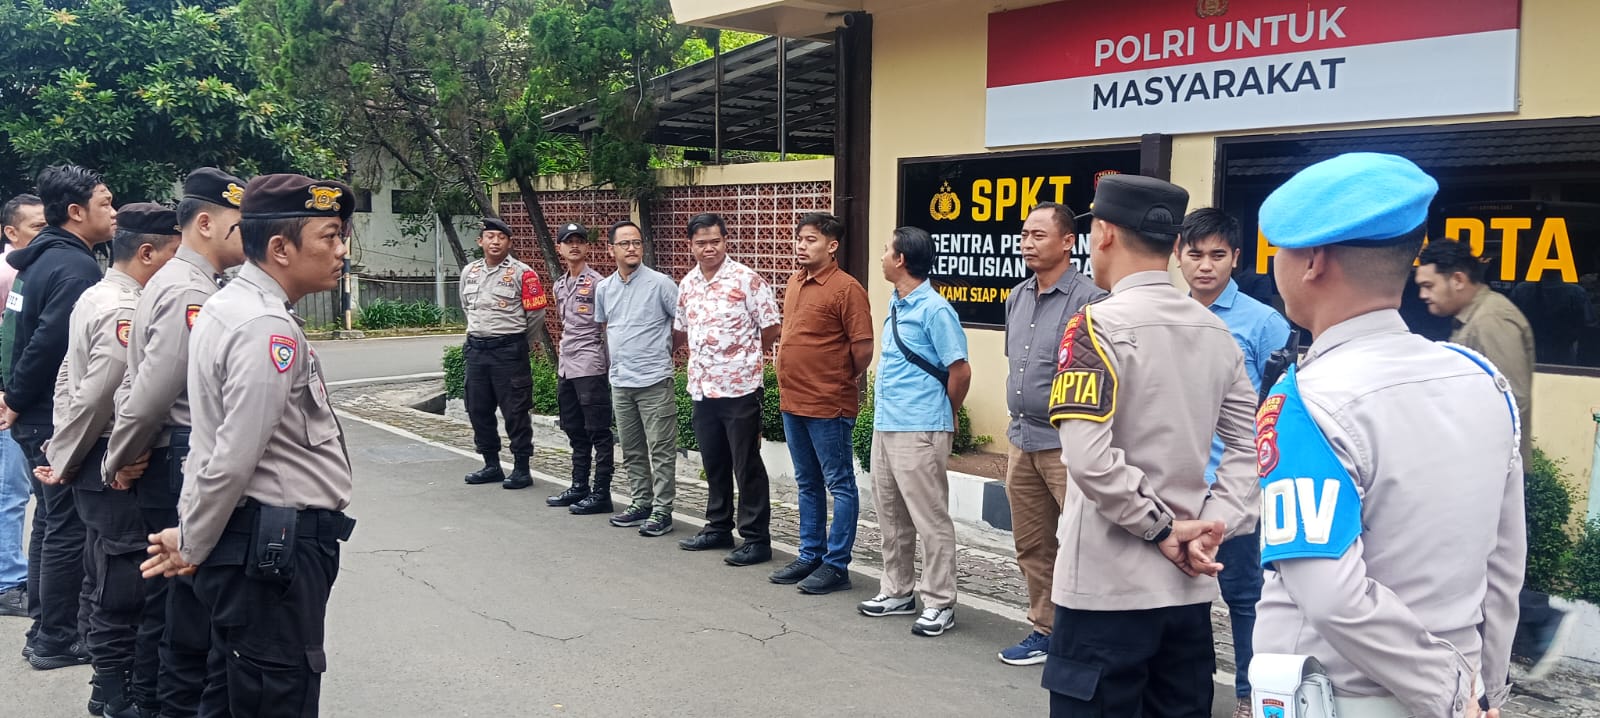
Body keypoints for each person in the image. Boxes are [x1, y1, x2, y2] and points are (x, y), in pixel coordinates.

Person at [1252, 153, 1524, 718]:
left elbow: (1330, 595)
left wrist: (1449, 695)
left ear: (1313, 262)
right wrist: (1482, 692)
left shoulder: (1307, 401)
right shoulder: (1481, 380)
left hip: (1341, 699)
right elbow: (1503, 568)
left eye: (1280, 250)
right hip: (1458, 691)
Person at [141, 173, 359, 717]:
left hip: (251, 542)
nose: (341, 250)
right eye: (330, 236)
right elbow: (232, 457)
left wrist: (192, 532)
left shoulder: (230, 305)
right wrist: (193, 543)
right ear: (280, 249)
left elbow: (208, 443)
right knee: (276, 694)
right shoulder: (265, 326)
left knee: (231, 691)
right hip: (273, 550)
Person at [1042, 175, 1257, 717]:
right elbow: (1250, 447)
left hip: (1105, 590)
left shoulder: (1095, 325)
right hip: (1188, 590)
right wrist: (1212, 526)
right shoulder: (1217, 333)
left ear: (1105, 234)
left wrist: (1160, 528)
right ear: (1175, 245)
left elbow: (1089, 458)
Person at [102, 167, 247, 716]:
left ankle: (153, 702)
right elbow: (154, 389)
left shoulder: (184, 281)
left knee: (172, 604)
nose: (249, 235)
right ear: (205, 223)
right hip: (177, 456)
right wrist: (119, 457)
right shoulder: (189, 289)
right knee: (182, 609)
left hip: (169, 454)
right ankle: (159, 705)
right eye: (240, 224)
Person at [35, 203, 178, 717]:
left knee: (101, 575)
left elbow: (66, 381)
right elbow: (100, 394)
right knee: (125, 585)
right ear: (148, 253)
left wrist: (63, 449)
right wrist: (84, 459)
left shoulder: (96, 293)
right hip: (113, 461)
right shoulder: (126, 308)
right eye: (175, 256)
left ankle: (110, 687)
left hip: (95, 454)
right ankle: (116, 693)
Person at [1416, 238, 1567, 681]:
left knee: (1484, 566)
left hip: (1488, 471)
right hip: (1476, 469)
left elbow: (1510, 400)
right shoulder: (1474, 318)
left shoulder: (1492, 320)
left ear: (1458, 280)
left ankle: (1539, 621)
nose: (1422, 294)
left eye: (1429, 285)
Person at [1, 164, 118, 670]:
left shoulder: (41, 259)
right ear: (75, 212)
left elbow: (14, 335)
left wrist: (12, 395)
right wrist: (16, 397)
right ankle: (56, 637)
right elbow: (48, 343)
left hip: (32, 411)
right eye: (105, 203)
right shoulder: (75, 268)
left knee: (51, 522)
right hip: (51, 415)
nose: (114, 213)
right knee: (68, 526)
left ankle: (43, 629)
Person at [1176, 207, 1290, 717]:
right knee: (1182, 596)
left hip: (1236, 487)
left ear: (1236, 258)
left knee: (1245, 597)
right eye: (1195, 254)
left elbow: (1281, 406)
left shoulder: (1264, 323)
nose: (1205, 266)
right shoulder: (1170, 315)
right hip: (1180, 482)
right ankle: (1185, 692)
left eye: (1217, 255)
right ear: (1178, 255)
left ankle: (1249, 695)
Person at [997, 201, 1105, 665]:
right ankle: (1046, 629)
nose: (1028, 242)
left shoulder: (1091, 300)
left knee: (1084, 544)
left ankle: (1091, 637)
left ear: (1068, 242)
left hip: (1068, 444)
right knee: (1033, 543)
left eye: (1039, 235)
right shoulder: (1017, 297)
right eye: (1025, 234)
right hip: (1022, 440)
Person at [856, 226, 971, 637]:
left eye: (886, 249)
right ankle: (897, 590)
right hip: (887, 424)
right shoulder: (896, 302)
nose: (882, 255)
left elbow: (960, 370)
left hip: (920, 427)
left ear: (901, 259)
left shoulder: (935, 310)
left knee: (929, 518)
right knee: (890, 515)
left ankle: (939, 602)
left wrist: (947, 412)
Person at [769, 212, 873, 595]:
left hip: (829, 402)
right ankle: (810, 554)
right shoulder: (795, 281)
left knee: (839, 483)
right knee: (807, 482)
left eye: (810, 239)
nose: (801, 245)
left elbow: (863, 349)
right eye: (799, 238)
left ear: (832, 246)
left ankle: (836, 565)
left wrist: (837, 377)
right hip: (792, 399)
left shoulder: (847, 289)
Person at [673, 213, 782, 566]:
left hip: (740, 389)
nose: (709, 248)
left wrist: (742, 357)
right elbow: (682, 329)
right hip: (703, 388)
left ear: (725, 241)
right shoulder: (687, 284)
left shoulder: (747, 279)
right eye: (701, 243)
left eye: (715, 241)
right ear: (691, 246)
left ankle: (756, 539)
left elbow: (771, 327)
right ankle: (718, 526)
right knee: (714, 461)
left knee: (745, 463)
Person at [594, 221, 679, 537]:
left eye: (636, 242)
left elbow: (682, 326)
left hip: (654, 380)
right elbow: (606, 328)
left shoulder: (661, 284)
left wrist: (661, 351)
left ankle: (662, 510)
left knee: (661, 450)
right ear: (611, 250)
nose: (631, 248)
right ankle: (641, 502)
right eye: (624, 243)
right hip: (621, 381)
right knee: (631, 449)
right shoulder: (604, 289)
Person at [458, 217, 548, 489]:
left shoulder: (523, 273)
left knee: (515, 411)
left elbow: (536, 314)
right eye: (490, 237)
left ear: (509, 243)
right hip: (477, 350)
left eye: (501, 237)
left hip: (508, 351)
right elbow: (466, 306)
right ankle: (491, 465)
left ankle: (521, 468)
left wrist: (517, 341)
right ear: (480, 241)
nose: (495, 242)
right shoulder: (470, 271)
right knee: (477, 408)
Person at [545, 222, 615, 515]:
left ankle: (601, 492)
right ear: (559, 248)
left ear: (587, 247)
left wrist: (609, 367)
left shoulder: (599, 284)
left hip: (590, 364)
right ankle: (579, 486)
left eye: (579, 241)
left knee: (598, 431)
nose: (574, 246)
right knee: (574, 429)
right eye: (568, 241)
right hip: (567, 365)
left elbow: (608, 327)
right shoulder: (559, 285)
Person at [0, 193, 44, 619]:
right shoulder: (10, 273)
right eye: (36, 227)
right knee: (11, 491)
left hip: (15, 394)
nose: (45, 234)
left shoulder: (29, 268)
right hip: (9, 396)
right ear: (11, 232)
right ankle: (7, 581)